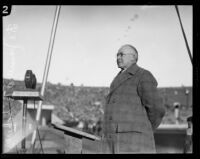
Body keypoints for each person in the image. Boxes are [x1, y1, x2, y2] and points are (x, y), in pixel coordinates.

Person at [102, 44, 165, 153]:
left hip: (134, 143)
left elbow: (157, 109)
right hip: (114, 142)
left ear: (133, 57)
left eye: (121, 54)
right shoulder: (117, 78)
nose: (118, 58)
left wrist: (144, 130)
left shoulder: (143, 75)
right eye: (117, 55)